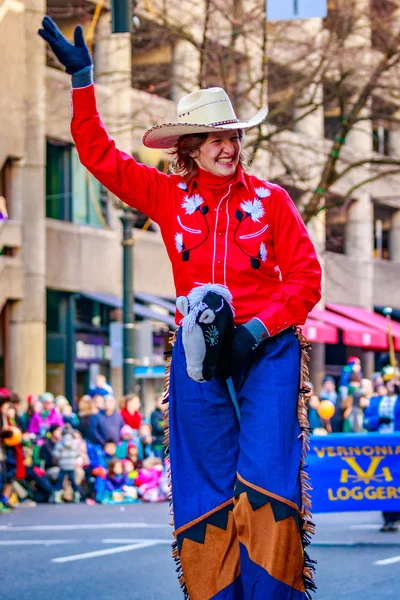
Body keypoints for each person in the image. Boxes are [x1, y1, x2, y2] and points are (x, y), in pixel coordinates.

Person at [38, 17, 321, 598]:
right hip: (198, 354)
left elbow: (306, 279)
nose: (229, 146)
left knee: (267, 478)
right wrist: (83, 80)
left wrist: (259, 329)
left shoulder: (272, 201)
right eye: (216, 138)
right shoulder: (169, 197)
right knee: (205, 488)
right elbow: (96, 155)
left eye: (234, 136)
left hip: (267, 349)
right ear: (189, 148)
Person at [53, 425, 82, 503]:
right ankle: (77, 495)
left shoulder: (59, 443)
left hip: (63, 465)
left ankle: (57, 496)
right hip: (72, 466)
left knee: (60, 481)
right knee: (73, 481)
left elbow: (55, 454)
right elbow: (78, 454)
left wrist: (60, 459)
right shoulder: (74, 443)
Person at [150, 395, 166, 459]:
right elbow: (157, 427)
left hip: (167, 443)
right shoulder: (154, 414)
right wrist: (167, 426)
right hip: (158, 442)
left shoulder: (168, 413)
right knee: (158, 461)